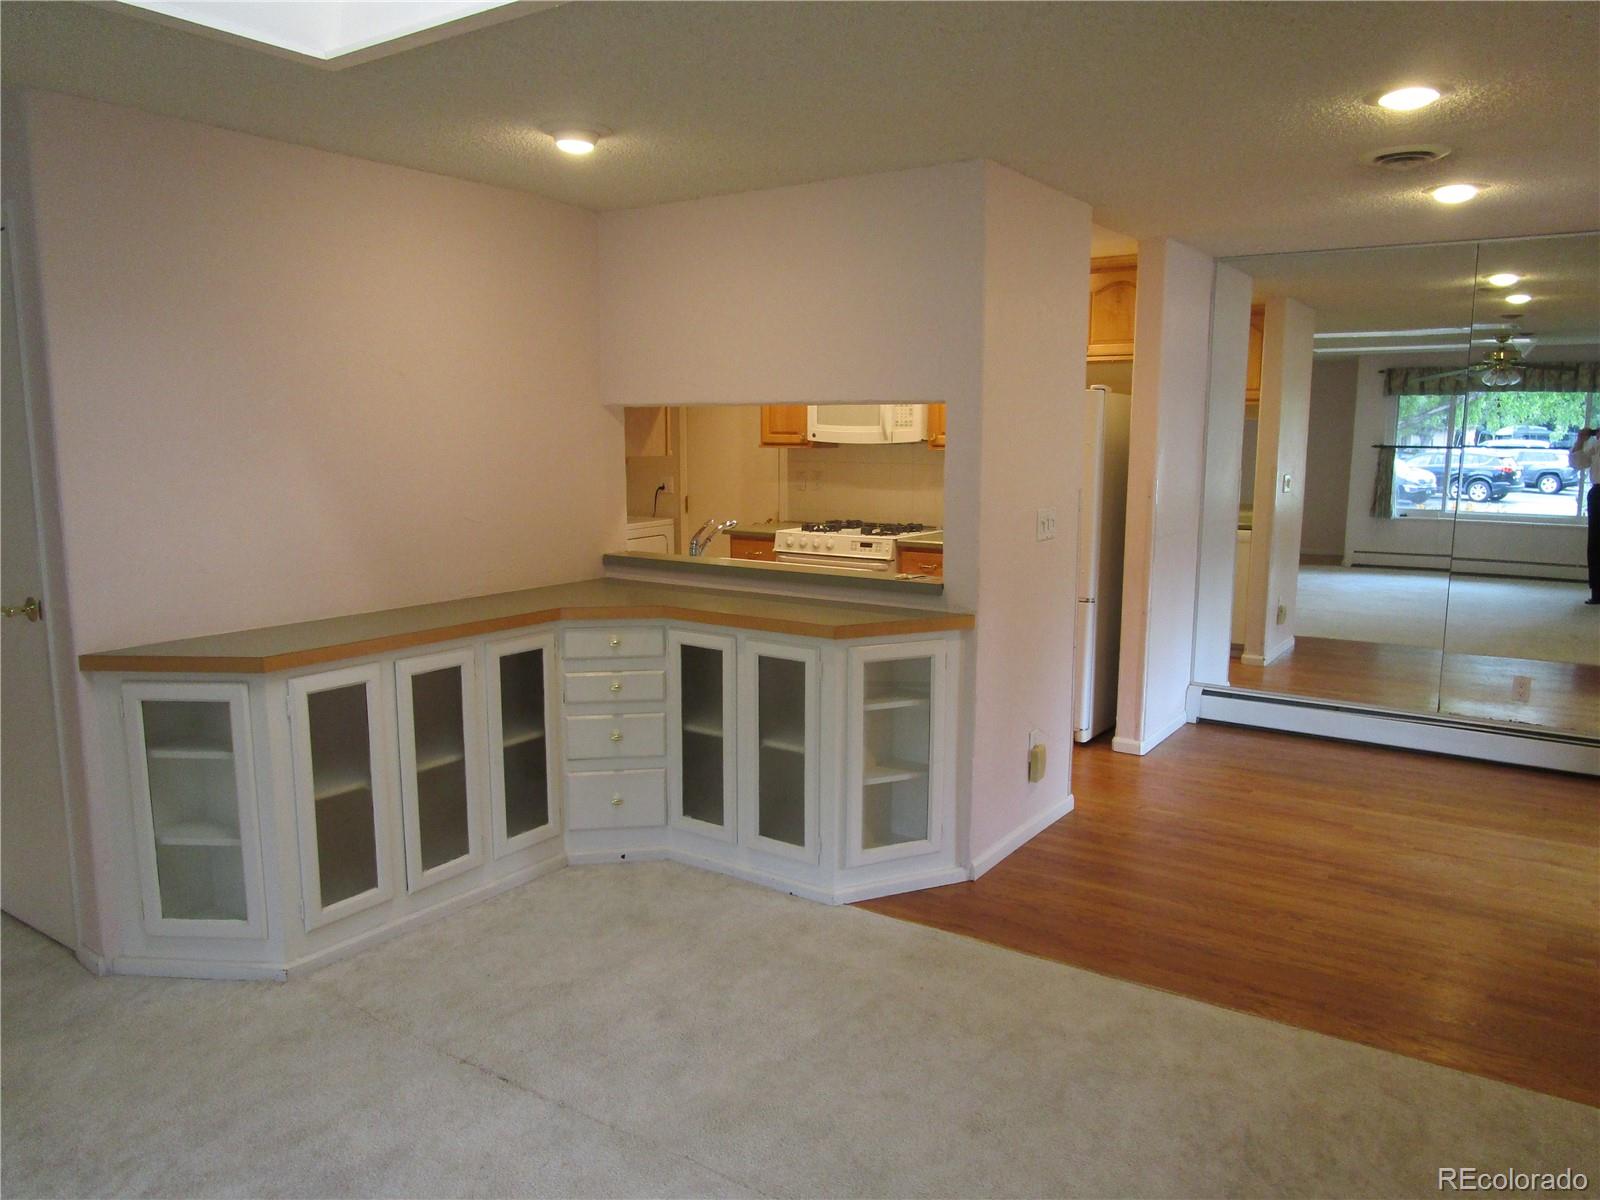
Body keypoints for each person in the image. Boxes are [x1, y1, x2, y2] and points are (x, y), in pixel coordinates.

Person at [1572, 427, 1600, 604]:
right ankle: (1597, 591)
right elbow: (1578, 463)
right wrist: (1581, 440)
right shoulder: (1596, 445)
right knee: (1596, 543)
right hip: (1598, 493)